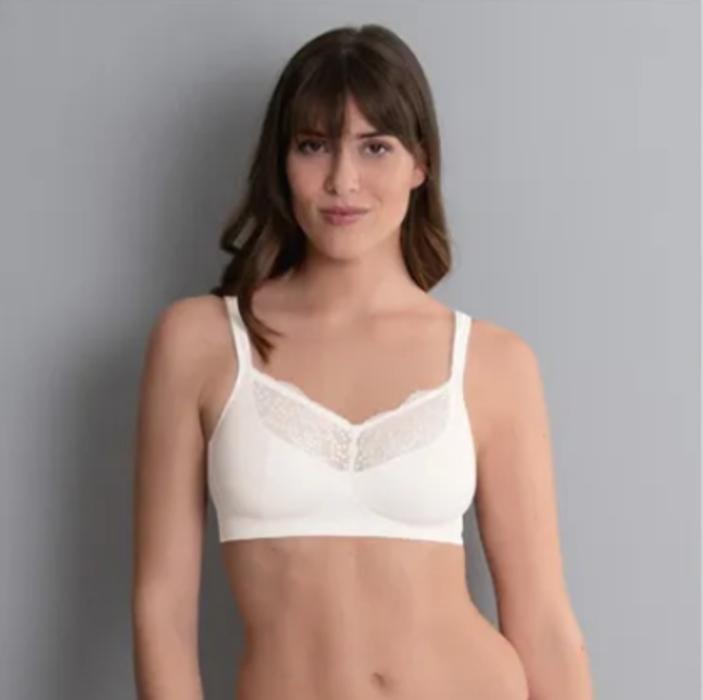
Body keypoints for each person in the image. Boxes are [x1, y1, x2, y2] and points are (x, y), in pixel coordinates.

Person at [131, 23, 594, 700]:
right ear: (281, 162)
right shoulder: (199, 342)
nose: (342, 181)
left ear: (419, 163)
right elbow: (162, 610)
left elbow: (544, 622)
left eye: (375, 147)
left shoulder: (492, 362)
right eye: (313, 145)